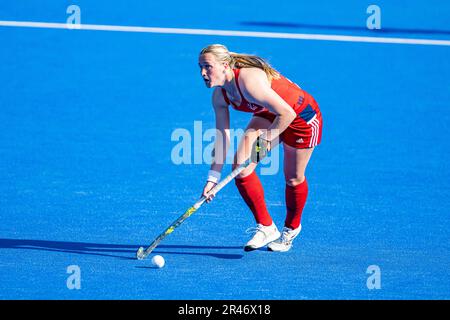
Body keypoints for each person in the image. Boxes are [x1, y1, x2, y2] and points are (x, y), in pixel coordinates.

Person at [198, 44, 323, 252]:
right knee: (241, 167)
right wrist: (212, 179)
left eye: (207, 67)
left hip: (302, 117)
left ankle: (291, 229)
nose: (203, 73)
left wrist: (265, 141)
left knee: (293, 177)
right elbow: (222, 139)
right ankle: (266, 226)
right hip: (270, 113)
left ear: (225, 65)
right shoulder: (219, 97)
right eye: (200, 67)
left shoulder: (248, 81)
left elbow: (288, 114)